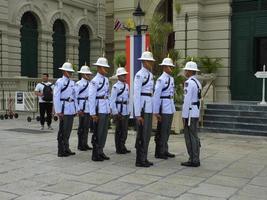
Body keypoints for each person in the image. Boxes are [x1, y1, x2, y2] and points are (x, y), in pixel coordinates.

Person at [53, 61, 80, 157]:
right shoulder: (59, 82)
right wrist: (58, 111)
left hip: (70, 108)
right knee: (62, 130)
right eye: (69, 71)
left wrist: (76, 109)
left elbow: (75, 96)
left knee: (68, 130)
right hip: (63, 108)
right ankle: (61, 150)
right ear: (64, 71)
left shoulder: (72, 83)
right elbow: (56, 96)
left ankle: (66, 147)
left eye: (71, 71)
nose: (70, 73)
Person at [134, 51, 155, 167]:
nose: (151, 63)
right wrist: (137, 114)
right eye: (150, 61)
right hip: (142, 107)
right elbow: (136, 94)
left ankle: (144, 157)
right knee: (141, 135)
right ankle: (139, 159)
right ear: (144, 62)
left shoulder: (150, 75)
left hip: (148, 107)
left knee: (147, 134)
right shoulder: (139, 74)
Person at [153, 57, 176, 159]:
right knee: (162, 130)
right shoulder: (161, 79)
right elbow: (156, 95)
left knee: (167, 130)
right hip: (163, 107)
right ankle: (159, 151)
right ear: (165, 67)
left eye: (171, 66)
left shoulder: (171, 78)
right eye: (170, 66)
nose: (171, 68)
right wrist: (156, 111)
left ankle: (165, 149)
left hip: (169, 106)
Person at [89, 56, 110, 161]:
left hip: (105, 108)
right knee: (98, 132)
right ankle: (95, 153)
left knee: (104, 132)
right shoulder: (94, 81)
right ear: (99, 67)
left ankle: (101, 151)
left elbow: (107, 95)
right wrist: (93, 113)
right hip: (99, 108)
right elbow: (91, 97)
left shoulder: (106, 79)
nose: (106, 69)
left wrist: (109, 108)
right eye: (103, 67)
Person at [181, 61, 202, 167]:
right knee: (194, 136)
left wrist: (184, 116)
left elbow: (187, 100)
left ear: (189, 71)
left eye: (186, 70)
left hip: (189, 113)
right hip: (195, 111)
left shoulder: (189, 83)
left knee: (190, 137)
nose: (185, 71)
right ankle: (196, 158)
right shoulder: (197, 82)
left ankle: (193, 159)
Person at [110, 67, 131, 154]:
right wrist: (115, 113)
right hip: (119, 111)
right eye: (122, 75)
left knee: (125, 130)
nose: (124, 76)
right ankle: (119, 147)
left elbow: (128, 99)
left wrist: (129, 110)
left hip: (125, 110)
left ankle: (123, 145)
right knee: (119, 130)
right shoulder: (115, 87)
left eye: (125, 75)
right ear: (118, 76)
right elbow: (112, 101)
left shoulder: (126, 85)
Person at [75, 64, 93, 151]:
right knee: (81, 127)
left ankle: (85, 143)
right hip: (82, 107)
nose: (89, 75)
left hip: (88, 107)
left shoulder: (90, 84)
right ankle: (80, 144)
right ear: (83, 74)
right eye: (87, 74)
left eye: (89, 74)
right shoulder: (79, 84)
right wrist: (78, 109)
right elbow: (75, 97)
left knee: (86, 127)